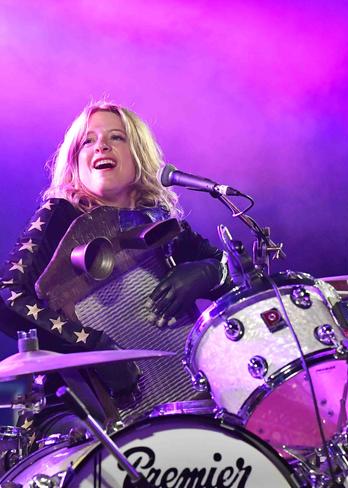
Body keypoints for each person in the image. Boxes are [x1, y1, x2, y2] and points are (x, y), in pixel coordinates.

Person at [0, 101, 227, 441]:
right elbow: (8, 298)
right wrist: (94, 346)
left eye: (116, 137)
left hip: (186, 407)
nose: (101, 146)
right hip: (77, 409)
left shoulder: (163, 225)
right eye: (88, 141)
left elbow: (241, 278)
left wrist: (207, 271)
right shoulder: (60, 215)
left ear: (139, 156)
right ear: (76, 161)